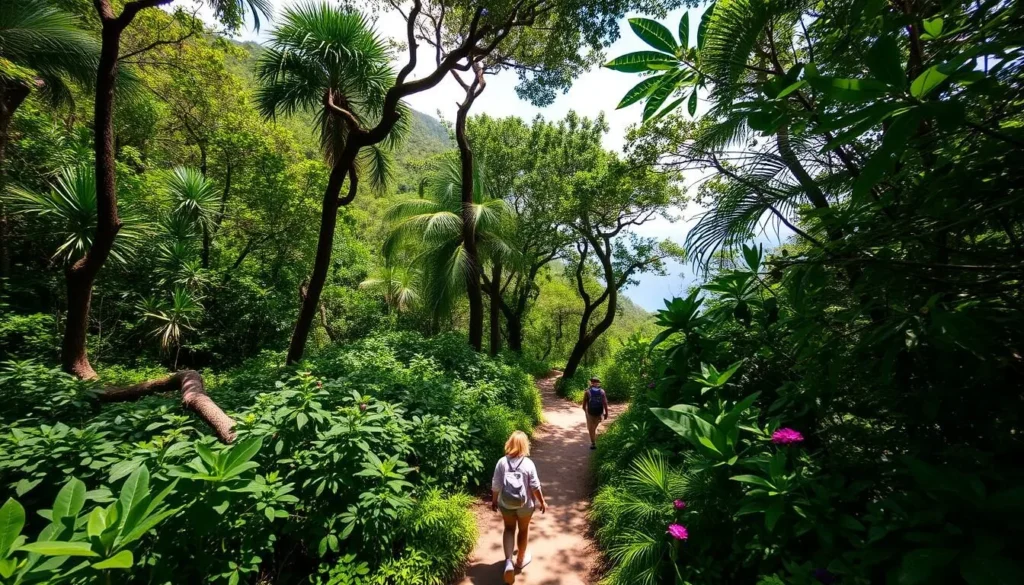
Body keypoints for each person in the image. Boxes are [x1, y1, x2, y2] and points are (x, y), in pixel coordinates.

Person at [491, 430, 547, 584]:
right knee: (523, 529)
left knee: (509, 529)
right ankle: (520, 560)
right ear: (525, 445)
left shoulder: (502, 462)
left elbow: (496, 485)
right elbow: (535, 486)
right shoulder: (528, 463)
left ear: (509, 443)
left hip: (506, 504)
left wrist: (494, 501)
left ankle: (508, 561)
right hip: (525, 505)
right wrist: (542, 502)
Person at [582, 377, 609, 449]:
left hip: (590, 412)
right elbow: (605, 403)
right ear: (598, 383)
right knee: (594, 427)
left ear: (591, 383)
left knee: (591, 428)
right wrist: (606, 413)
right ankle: (594, 439)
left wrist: (586, 413)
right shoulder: (602, 391)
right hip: (599, 412)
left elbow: (584, 406)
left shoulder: (587, 392)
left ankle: (593, 443)